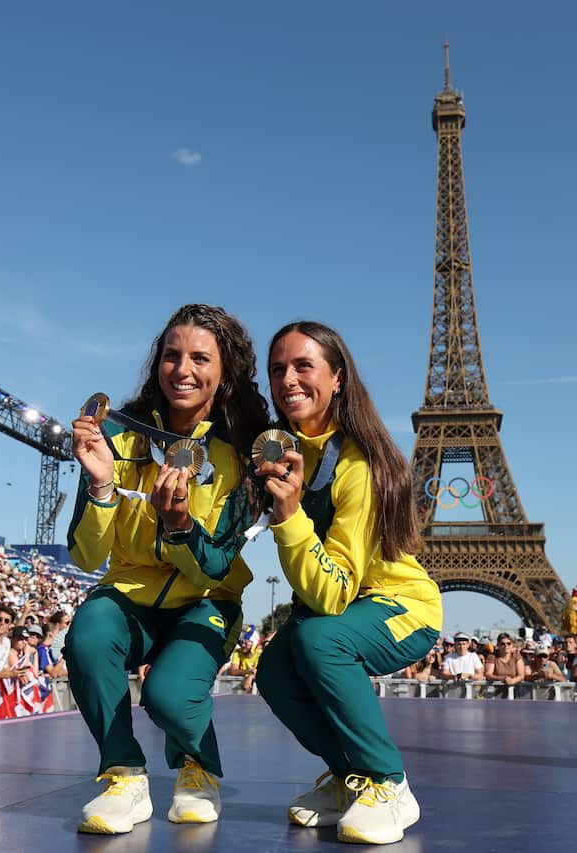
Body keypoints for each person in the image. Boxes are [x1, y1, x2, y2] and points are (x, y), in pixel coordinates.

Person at [63, 304, 268, 834]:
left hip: (206, 599)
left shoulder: (241, 457)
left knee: (169, 696)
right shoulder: (120, 439)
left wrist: (178, 528)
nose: (183, 369)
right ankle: (123, 775)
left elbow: (215, 565)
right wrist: (102, 486)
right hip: (129, 596)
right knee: (88, 633)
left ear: (225, 374)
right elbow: (86, 557)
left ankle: (199, 769)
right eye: (172, 356)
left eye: (201, 358)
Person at [252, 321, 443, 845]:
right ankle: (349, 779)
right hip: (337, 612)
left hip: (401, 607)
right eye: (277, 369)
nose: (287, 379)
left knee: (318, 639)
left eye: (303, 366)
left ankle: (388, 783)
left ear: (338, 378)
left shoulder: (357, 463)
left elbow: (334, 592)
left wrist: (289, 513)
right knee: (271, 671)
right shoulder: (283, 447)